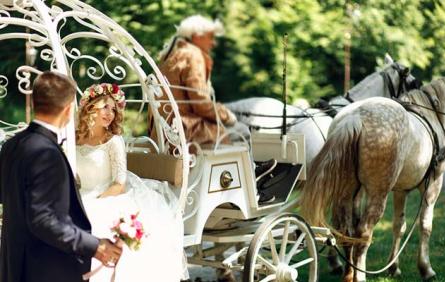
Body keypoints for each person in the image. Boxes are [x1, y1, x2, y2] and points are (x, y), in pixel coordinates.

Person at [0, 71, 122, 282]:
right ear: (67, 110)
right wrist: (95, 246)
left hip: (13, 262)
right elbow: (43, 220)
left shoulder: (12, 145)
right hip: (44, 268)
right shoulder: (47, 153)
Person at [149, 15, 276, 204]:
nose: (213, 43)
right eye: (210, 37)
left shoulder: (171, 54)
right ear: (197, 36)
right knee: (241, 131)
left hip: (163, 130)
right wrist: (227, 115)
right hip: (186, 128)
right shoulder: (193, 55)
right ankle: (252, 187)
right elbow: (200, 101)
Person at [76, 83, 186, 282]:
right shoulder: (74, 139)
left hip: (111, 195)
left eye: (114, 109)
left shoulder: (113, 141)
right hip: (82, 194)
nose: (110, 113)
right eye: (105, 107)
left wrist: (92, 202)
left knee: (94, 220)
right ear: (90, 107)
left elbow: (119, 183)